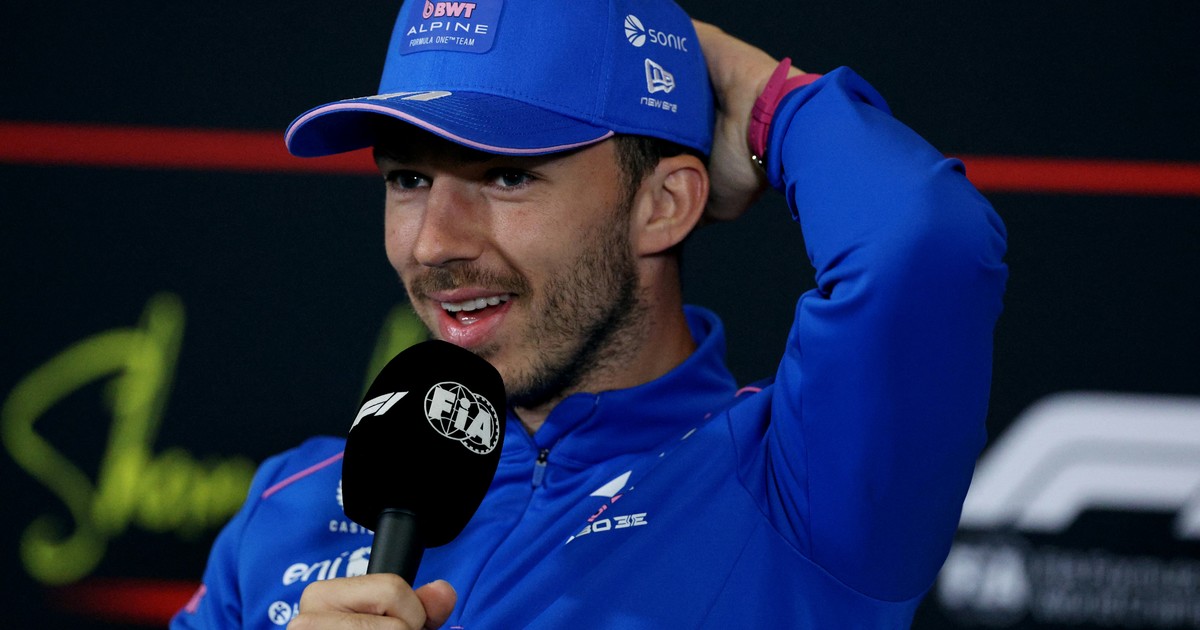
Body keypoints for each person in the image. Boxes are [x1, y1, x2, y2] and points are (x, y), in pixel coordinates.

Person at [172, 0, 1007, 627]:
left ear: (664, 204)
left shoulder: (797, 491)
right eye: (408, 179)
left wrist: (750, 91)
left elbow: (923, 239)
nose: (433, 243)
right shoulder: (291, 505)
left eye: (506, 177)